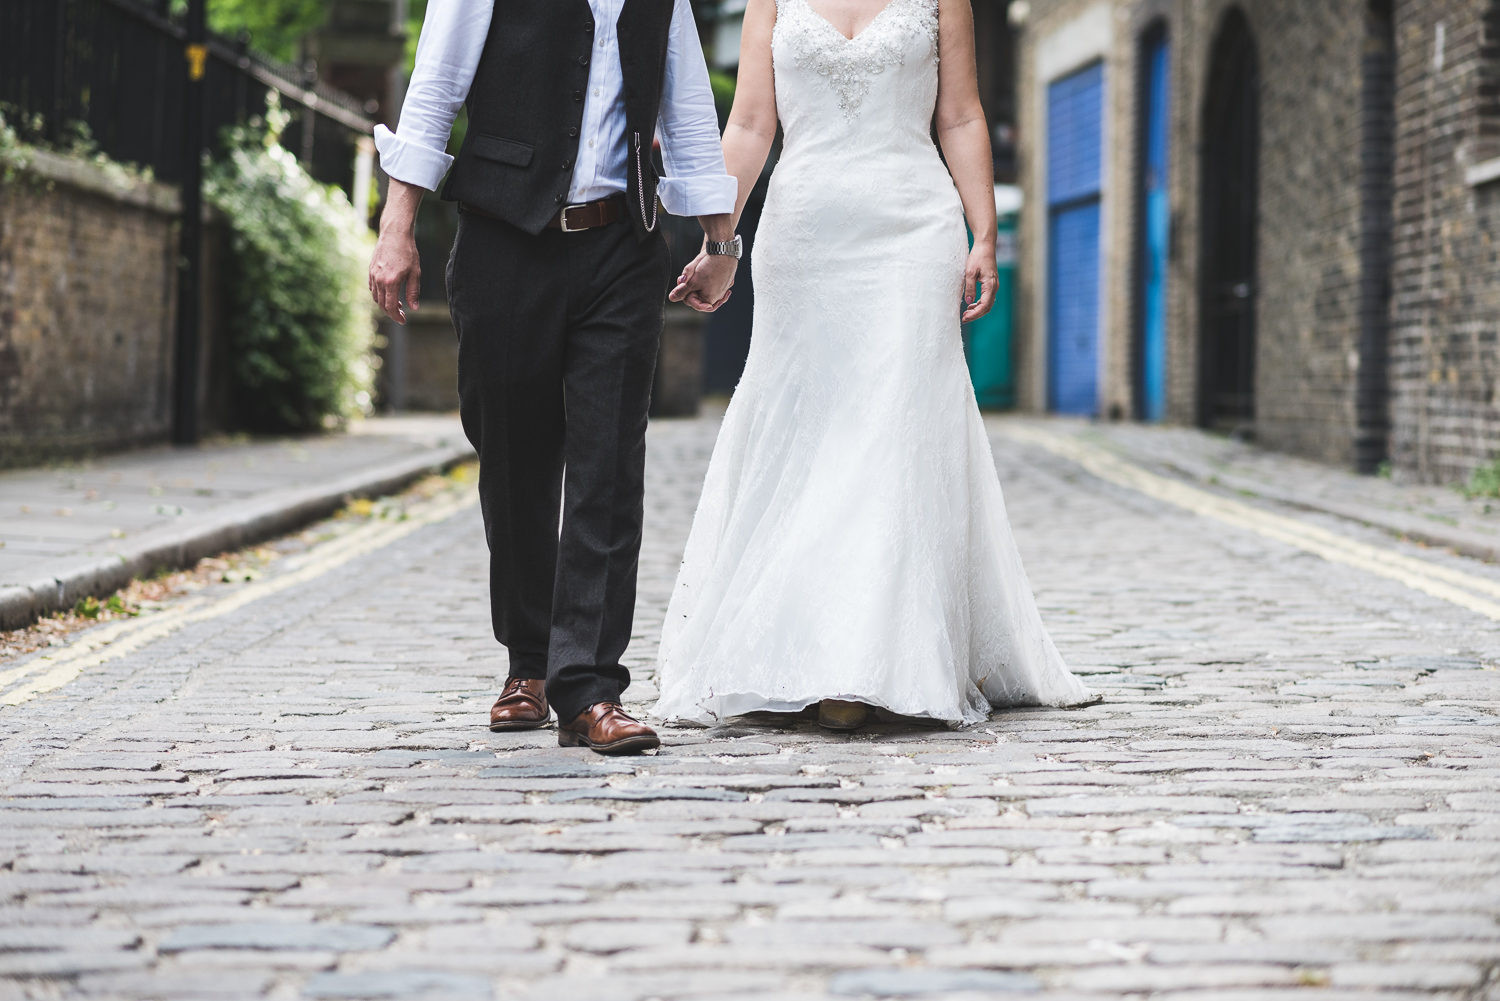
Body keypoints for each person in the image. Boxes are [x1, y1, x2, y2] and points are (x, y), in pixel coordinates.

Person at [653, 0, 1095, 729]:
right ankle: (801, 641)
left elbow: (959, 115)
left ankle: (866, 657)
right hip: (804, 235)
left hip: (911, 228)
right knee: (809, 432)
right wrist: (720, 243)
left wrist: (982, 232)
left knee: (893, 427)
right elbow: (753, 125)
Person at [369, 0, 742, 755]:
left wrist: (720, 238)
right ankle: (529, 661)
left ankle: (591, 686)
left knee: (609, 464)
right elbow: (437, 83)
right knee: (512, 457)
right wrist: (396, 223)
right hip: (505, 238)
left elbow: (690, 104)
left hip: (621, 245)